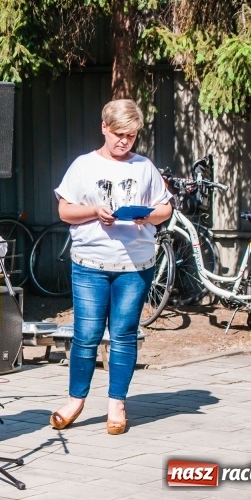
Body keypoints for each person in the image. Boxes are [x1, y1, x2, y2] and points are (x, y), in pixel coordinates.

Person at [50, 99, 172, 435]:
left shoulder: (144, 167)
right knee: (86, 335)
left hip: (134, 265)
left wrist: (145, 213)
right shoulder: (83, 166)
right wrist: (94, 212)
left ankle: (117, 403)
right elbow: (64, 211)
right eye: (119, 134)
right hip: (90, 263)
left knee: (123, 334)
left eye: (131, 136)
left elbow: (165, 210)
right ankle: (76, 399)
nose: (124, 141)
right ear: (104, 127)